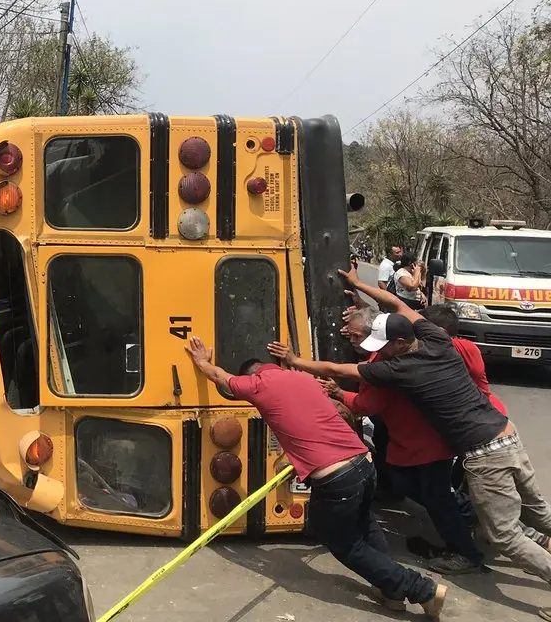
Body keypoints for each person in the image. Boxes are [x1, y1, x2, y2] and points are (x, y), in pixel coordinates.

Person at [278, 265, 551, 621]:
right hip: (507, 433)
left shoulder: (399, 369)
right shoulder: (435, 338)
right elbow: (396, 302)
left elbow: (339, 371)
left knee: (504, 536)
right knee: (539, 513)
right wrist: (359, 285)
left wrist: (296, 361)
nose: (379, 352)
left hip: (485, 453)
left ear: (401, 343)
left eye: (383, 346)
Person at [184, 336, 446, 616]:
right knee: (365, 524)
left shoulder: (258, 384)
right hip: (364, 463)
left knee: (343, 542)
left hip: (336, 477)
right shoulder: (303, 379)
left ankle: (422, 590)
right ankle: (391, 591)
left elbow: (221, 378)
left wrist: (202, 361)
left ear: (252, 375)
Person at [319, 311, 486, 574]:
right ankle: (468, 515)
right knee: (419, 488)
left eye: (357, 335)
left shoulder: (387, 366)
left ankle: (467, 550)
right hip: (423, 439)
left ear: (396, 342)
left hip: (427, 443)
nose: (353, 340)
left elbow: (368, 404)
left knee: (435, 497)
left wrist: (338, 392)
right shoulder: (397, 356)